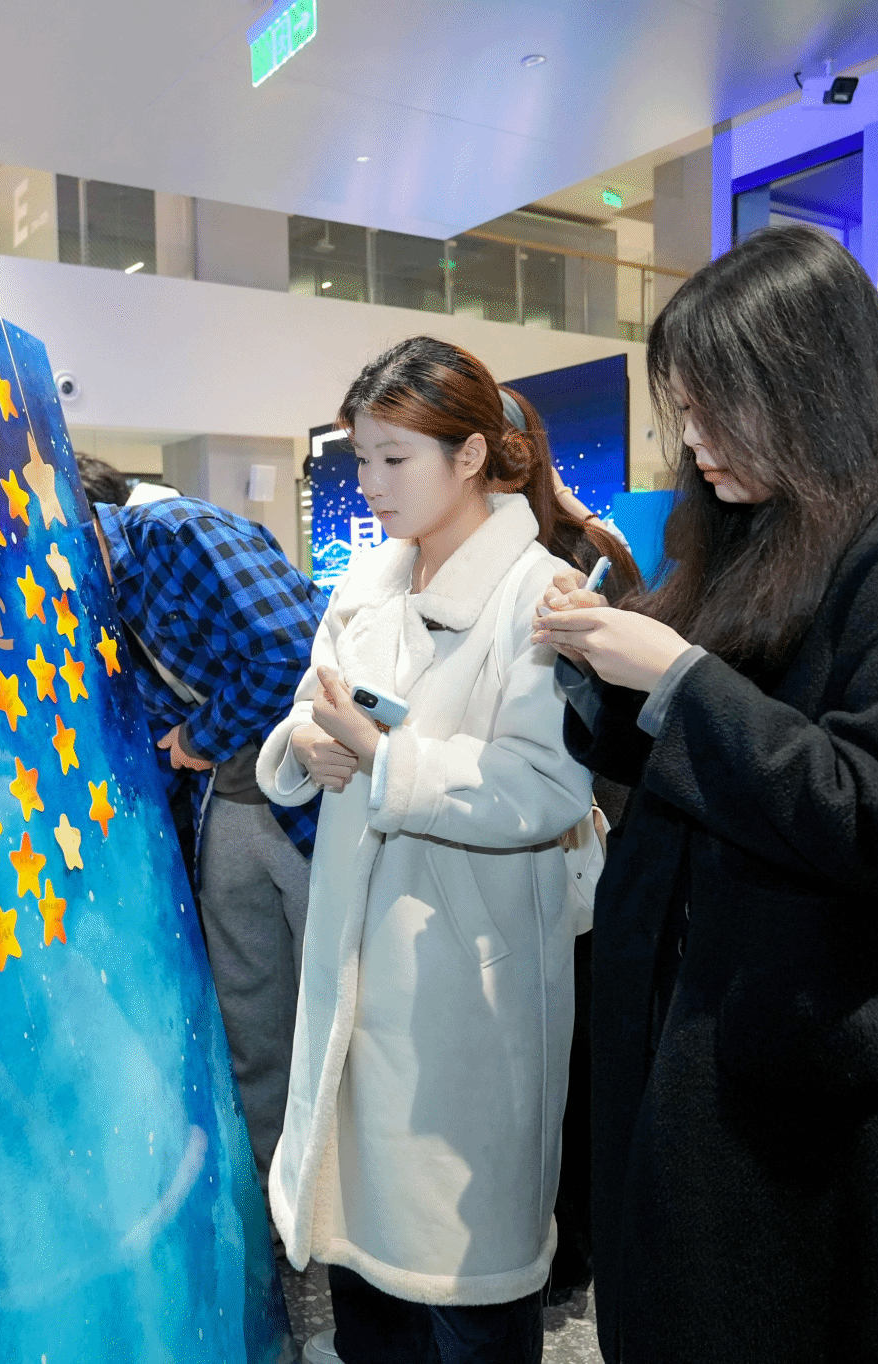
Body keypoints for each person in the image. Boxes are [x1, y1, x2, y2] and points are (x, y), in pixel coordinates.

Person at [534, 224, 878, 1364]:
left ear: (811, 387)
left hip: (826, 1085)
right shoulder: (781, 529)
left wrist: (675, 676)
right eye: (682, 410)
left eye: (716, 408)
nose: (693, 441)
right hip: (717, 1044)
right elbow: (715, 761)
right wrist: (600, 674)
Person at [257, 335, 598, 1363]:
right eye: (361, 457)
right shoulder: (364, 583)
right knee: (367, 1281)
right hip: (356, 956)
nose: (369, 482)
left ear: (470, 455)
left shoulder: (539, 597)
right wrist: (307, 746)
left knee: (465, 1275)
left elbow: (546, 787)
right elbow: (308, 708)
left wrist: (389, 761)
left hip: (468, 976)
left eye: (394, 457)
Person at [75, 453, 328, 1190]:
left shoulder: (176, 533)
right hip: (223, 805)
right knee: (251, 1018)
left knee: (335, 1007)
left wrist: (198, 737)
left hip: (312, 790)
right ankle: (275, 1198)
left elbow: (290, 653)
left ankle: (341, 1202)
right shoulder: (87, 604)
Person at [501, 383, 639, 1307]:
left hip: (579, 833)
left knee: (573, 1056)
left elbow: (617, 709)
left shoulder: (579, 556)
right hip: (531, 830)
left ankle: (569, 1246)